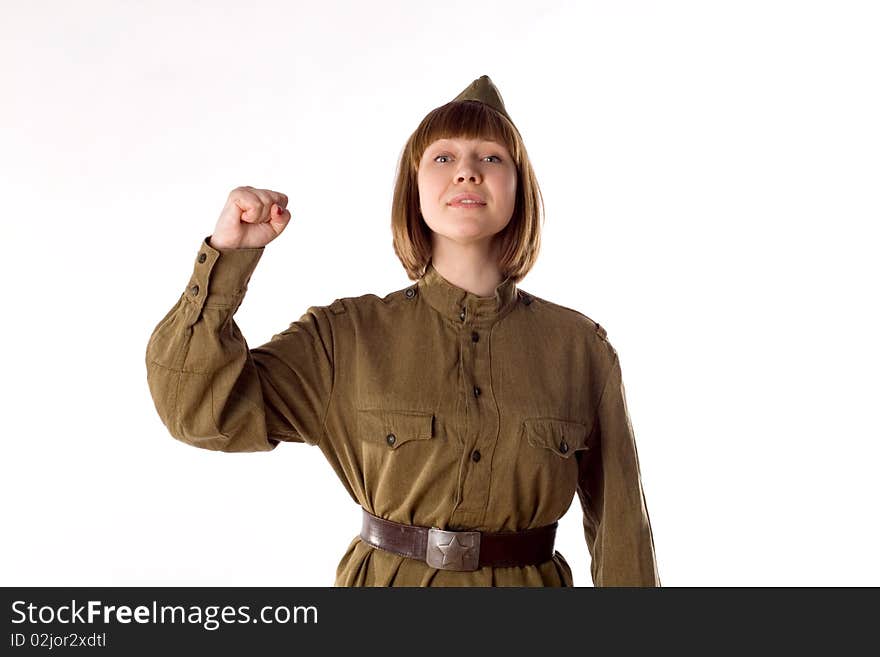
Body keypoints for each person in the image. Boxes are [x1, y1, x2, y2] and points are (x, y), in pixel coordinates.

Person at [145, 74, 661, 587]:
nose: (467, 173)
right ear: (413, 189)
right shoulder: (344, 339)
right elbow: (197, 410)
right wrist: (229, 256)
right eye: (443, 158)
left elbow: (623, 534)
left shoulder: (580, 350)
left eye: (491, 158)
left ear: (518, 189)